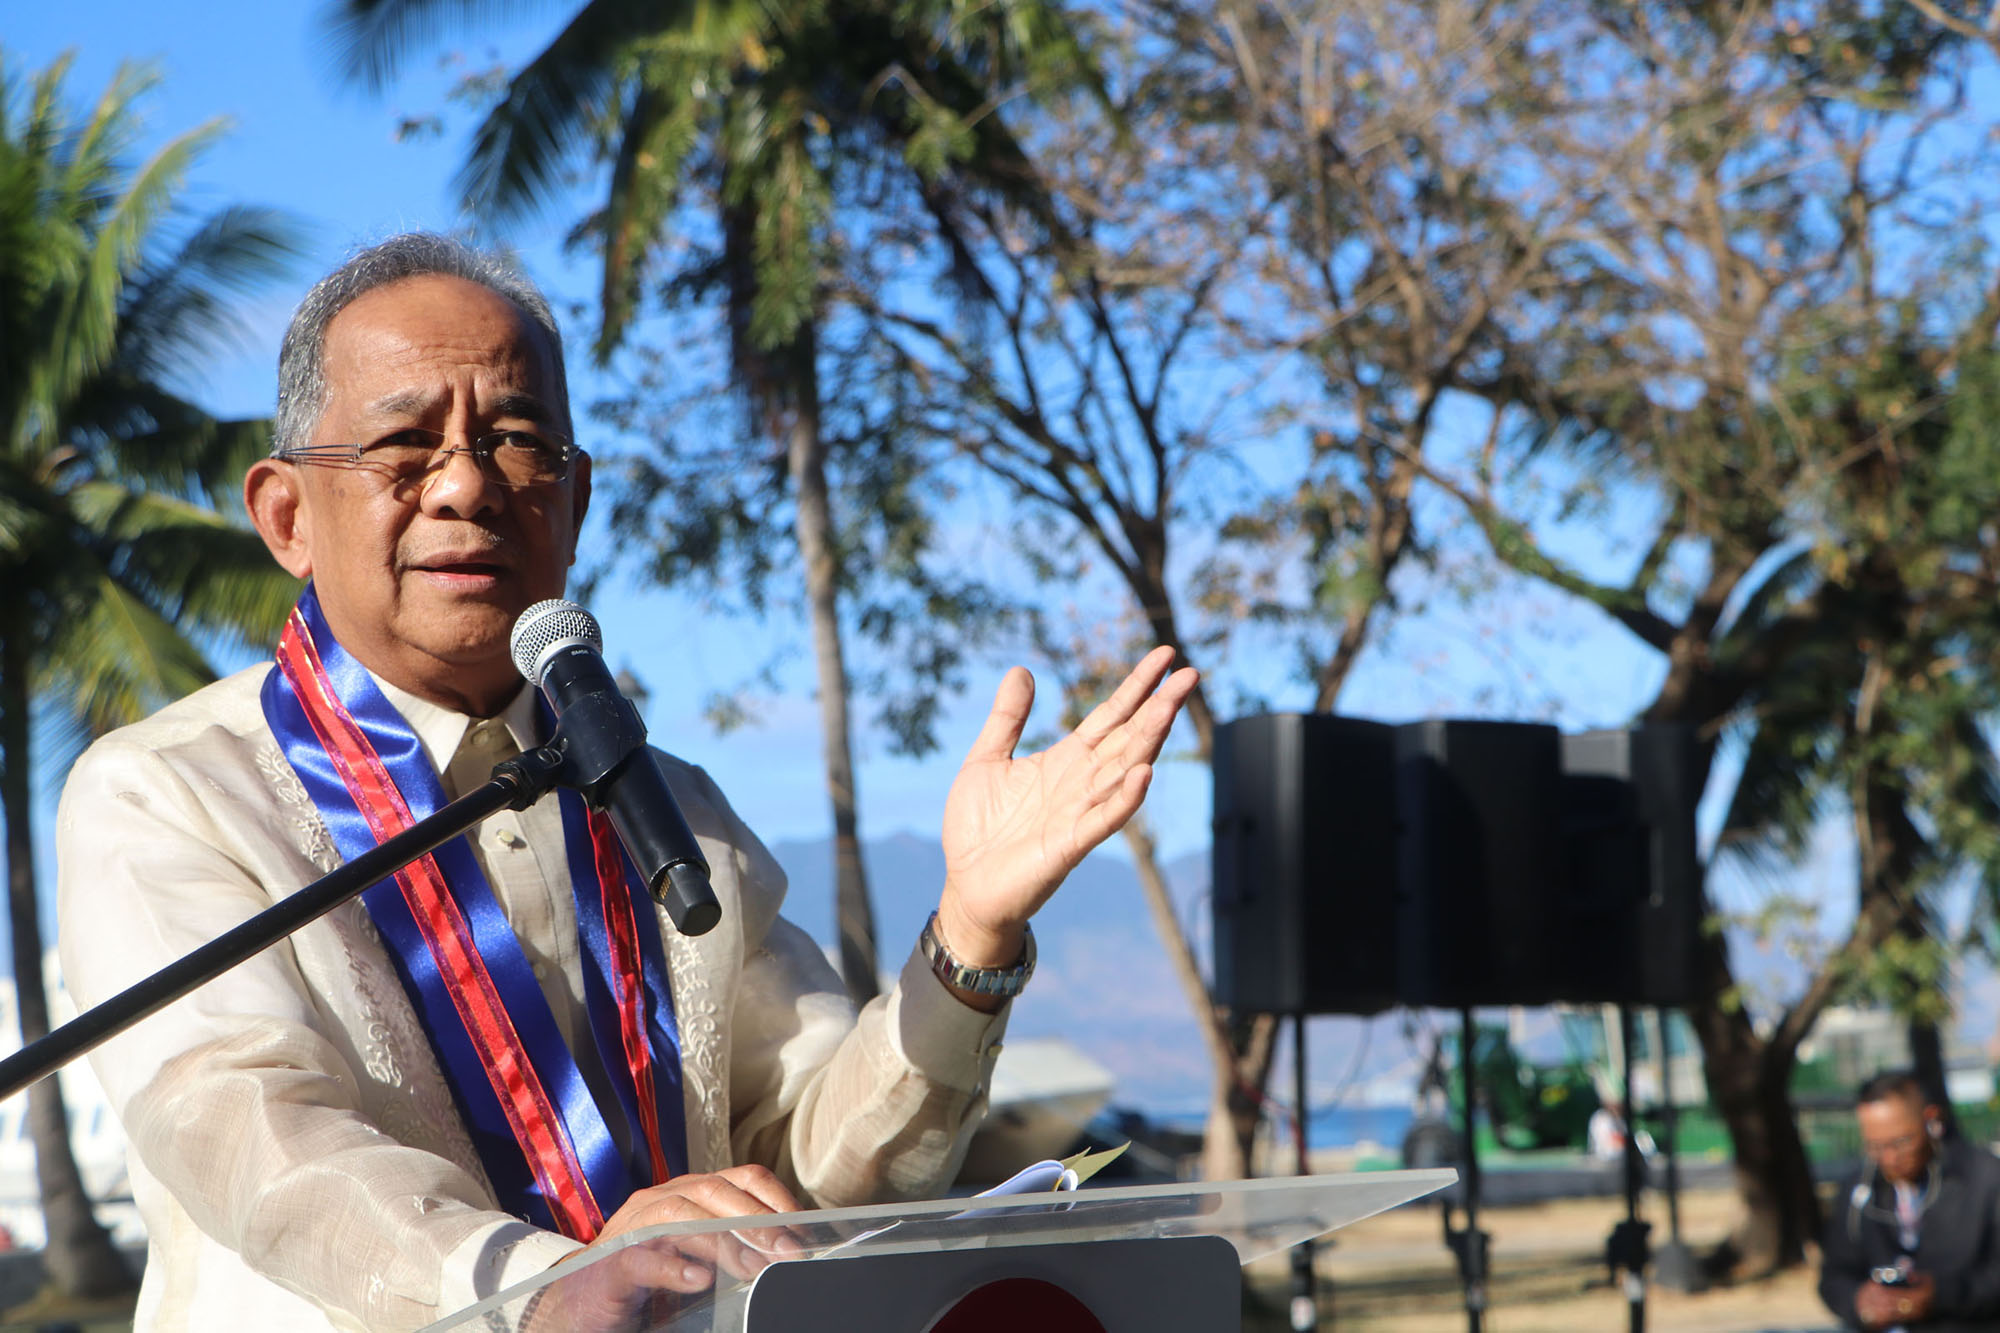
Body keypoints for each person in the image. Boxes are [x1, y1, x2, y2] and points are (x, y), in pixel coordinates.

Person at [53, 234, 1197, 1333]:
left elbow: (818, 1170)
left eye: (515, 440)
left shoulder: (667, 805)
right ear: (287, 514)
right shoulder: (170, 794)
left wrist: (970, 937)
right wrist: (548, 1288)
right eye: (406, 442)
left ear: (576, 499)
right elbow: (256, 1138)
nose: (466, 486)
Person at [1820, 1071, 2000, 1331]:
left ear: (1930, 1120)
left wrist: (1941, 1295)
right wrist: (1859, 1300)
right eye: (1875, 1146)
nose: (1890, 1158)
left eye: (1901, 1142)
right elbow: (1834, 1275)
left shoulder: (1985, 1179)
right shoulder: (1859, 1190)